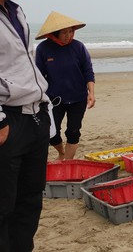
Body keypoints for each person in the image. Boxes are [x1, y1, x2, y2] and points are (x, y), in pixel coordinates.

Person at [0, 0, 52, 250]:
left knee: (29, 200)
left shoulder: (15, 11)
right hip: (4, 121)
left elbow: (23, 61)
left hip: (34, 116)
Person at [35, 11, 95, 160]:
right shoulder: (43, 49)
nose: (68, 35)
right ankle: (61, 153)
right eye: (64, 32)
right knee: (51, 132)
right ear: (55, 33)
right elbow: (38, 76)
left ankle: (67, 161)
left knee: (73, 132)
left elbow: (88, 71)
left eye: (71, 31)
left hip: (78, 97)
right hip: (54, 99)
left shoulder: (78, 47)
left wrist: (91, 93)